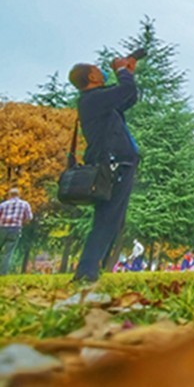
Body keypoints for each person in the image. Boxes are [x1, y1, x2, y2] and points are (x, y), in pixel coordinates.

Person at [69, 53, 140, 284]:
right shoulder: (92, 99)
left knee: (112, 218)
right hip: (113, 162)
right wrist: (122, 72)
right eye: (97, 69)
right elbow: (125, 92)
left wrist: (128, 74)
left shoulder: (96, 100)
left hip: (117, 161)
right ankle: (86, 271)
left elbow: (128, 99)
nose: (102, 70)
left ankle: (92, 269)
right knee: (108, 216)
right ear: (91, 76)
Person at [0, 188, 33, 275]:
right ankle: (2, 273)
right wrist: (22, 221)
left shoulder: (3, 204)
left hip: (2, 228)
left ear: (9, 195)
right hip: (15, 228)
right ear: (19, 195)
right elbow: (29, 217)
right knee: (8, 252)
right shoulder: (25, 204)